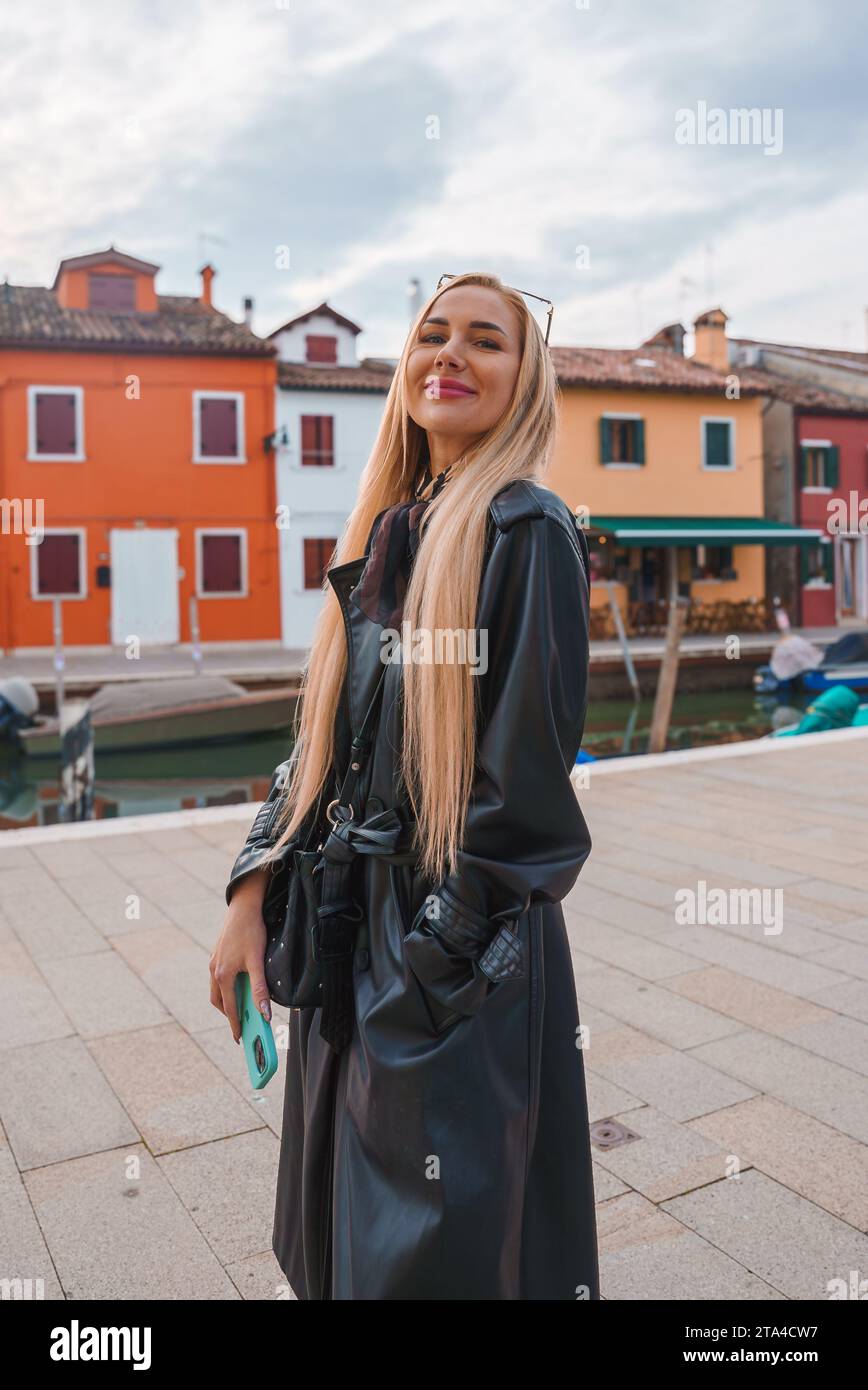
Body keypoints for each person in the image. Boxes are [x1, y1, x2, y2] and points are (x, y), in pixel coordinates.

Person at [209, 270, 599, 1300]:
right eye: (434, 334)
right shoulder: (392, 524)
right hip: (350, 941)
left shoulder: (524, 532)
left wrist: (424, 979)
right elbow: (322, 750)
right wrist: (252, 892)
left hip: (441, 955)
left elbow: (522, 809)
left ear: (526, 379)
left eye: (487, 339)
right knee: (341, 1240)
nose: (453, 356)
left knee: (433, 1256)